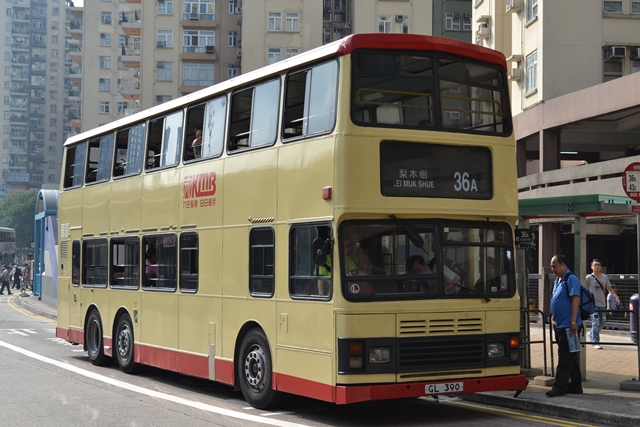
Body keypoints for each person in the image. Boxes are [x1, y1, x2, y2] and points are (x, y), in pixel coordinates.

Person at [547, 254, 582, 397]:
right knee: (570, 356)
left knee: (564, 357)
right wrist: (553, 317)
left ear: (563, 265)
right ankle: (575, 385)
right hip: (559, 325)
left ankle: (559, 387)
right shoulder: (558, 280)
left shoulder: (571, 278)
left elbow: (575, 300)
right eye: (551, 267)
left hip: (569, 326)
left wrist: (573, 321)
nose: (553, 269)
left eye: (554, 266)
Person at [585, 259, 619, 349]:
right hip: (593, 304)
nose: (597, 266)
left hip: (602, 303)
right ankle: (595, 341)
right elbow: (583, 289)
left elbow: (609, 288)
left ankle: (591, 333)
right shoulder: (588, 278)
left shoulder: (604, 277)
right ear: (591, 267)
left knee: (602, 323)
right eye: (595, 265)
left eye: (599, 265)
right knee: (596, 322)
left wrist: (616, 297)